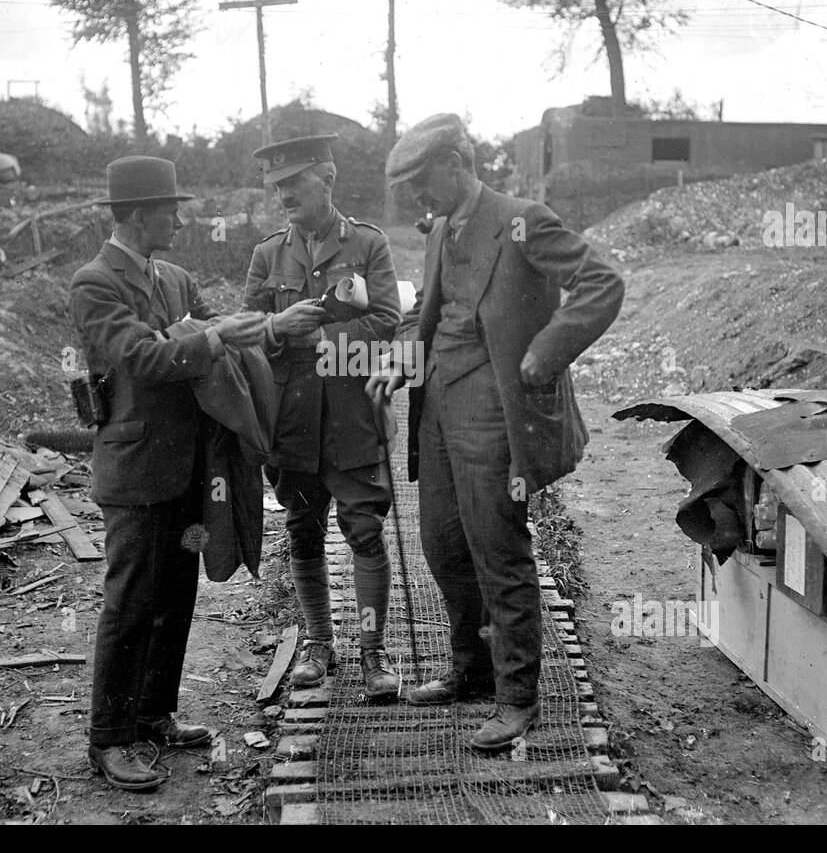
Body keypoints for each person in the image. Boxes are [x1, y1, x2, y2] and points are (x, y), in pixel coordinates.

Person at [367, 114, 625, 751]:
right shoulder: (439, 232)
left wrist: (546, 350)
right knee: (443, 545)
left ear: (456, 164)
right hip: (439, 410)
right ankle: (471, 667)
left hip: (494, 414)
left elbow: (602, 282)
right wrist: (402, 359)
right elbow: (423, 314)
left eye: (423, 185)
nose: (416, 202)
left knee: (497, 549)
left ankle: (515, 697)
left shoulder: (523, 219)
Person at [70, 156, 265, 790]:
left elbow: (206, 327)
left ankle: (153, 715)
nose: (180, 219)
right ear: (137, 215)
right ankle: (110, 738)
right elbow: (142, 358)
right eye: (170, 209)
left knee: (176, 594)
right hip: (136, 470)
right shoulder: (95, 283)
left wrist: (234, 331)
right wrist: (208, 339)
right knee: (130, 602)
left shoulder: (174, 278)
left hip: (187, 469)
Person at [244, 134, 403, 701]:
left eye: (295, 182)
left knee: (364, 531)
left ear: (327, 178)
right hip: (291, 419)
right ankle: (317, 644)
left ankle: (373, 653)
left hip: (352, 413)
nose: (284, 193)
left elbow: (387, 317)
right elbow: (249, 333)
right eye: (278, 185)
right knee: (302, 531)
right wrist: (275, 329)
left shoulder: (366, 243)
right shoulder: (268, 254)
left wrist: (322, 336)